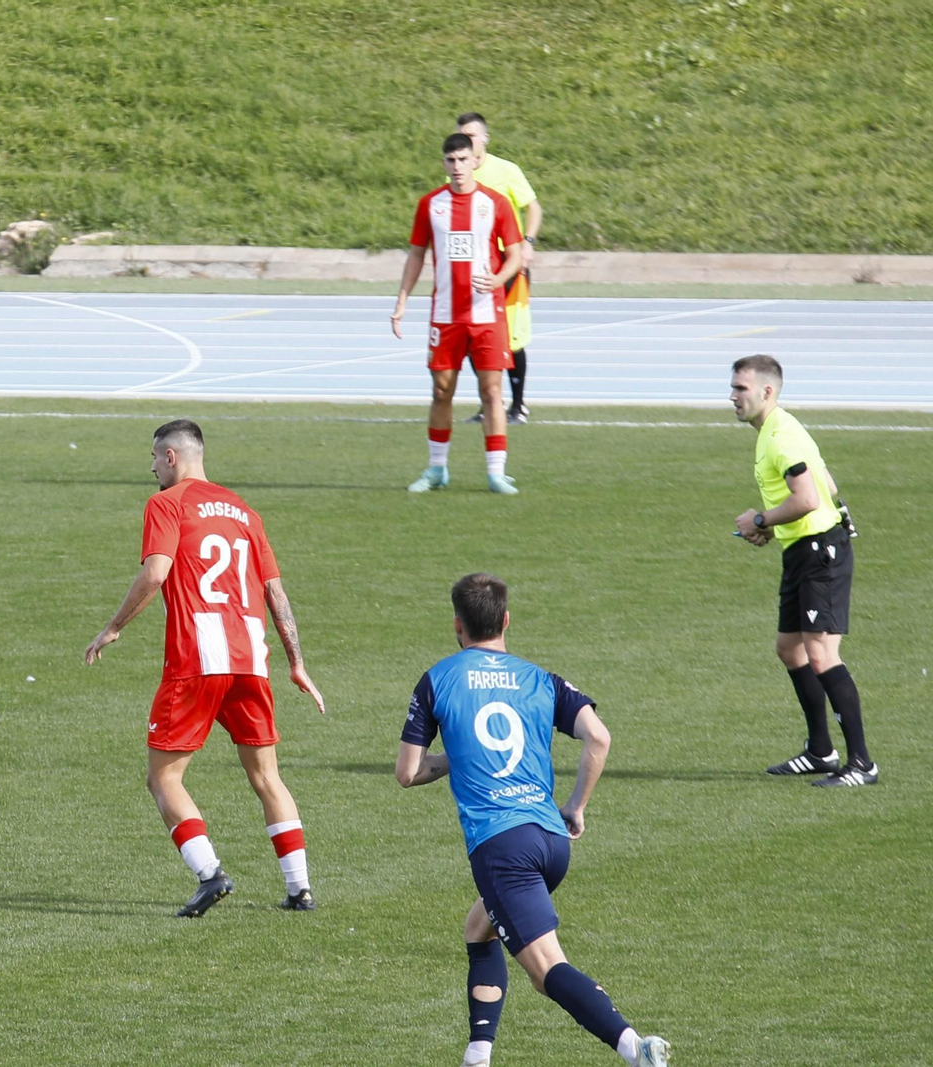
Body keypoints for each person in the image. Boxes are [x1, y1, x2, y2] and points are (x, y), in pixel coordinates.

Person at [397, 573, 671, 1067]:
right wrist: (576, 806)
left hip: (503, 847)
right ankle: (477, 1054)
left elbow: (408, 772)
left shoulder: (438, 678)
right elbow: (599, 738)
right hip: (550, 839)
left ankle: (635, 1047)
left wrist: (459, 753)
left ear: (457, 626)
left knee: (546, 968)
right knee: (479, 927)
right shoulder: (541, 678)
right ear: (506, 621)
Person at [85, 420, 326, 917]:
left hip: (197, 661)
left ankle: (210, 873)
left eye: (154, 458)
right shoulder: (244, 511)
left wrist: (113, 627)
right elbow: (275, 594)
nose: (151, 467)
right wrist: (297, 664)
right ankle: (300, 889)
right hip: (251, 661)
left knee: (164, 778)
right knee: (267, 777)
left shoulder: (166, 504)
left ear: (171, 457)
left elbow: (156, 572)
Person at [730, 355, 877, 787]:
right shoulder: (778, 429)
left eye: (741, 388)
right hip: (803, 550)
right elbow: (826, 485)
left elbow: (810, 499)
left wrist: (760, 521)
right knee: (789, 649)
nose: (732, 396)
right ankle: (821, 751)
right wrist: (775, 530)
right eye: (733, 387)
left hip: (819, 553)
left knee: (821, 655)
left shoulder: (779, 437)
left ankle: (862, 763)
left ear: (766, 391)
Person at [391, 133, 525, 495]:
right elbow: (417, 254)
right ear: (444, 163)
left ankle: (496, 472)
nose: (457, 167)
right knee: (441, 390)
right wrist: (403, 299)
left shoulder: (495, 204)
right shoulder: (430, 205)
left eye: (463, 160)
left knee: (491, 392)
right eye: (451, 160)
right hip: (446, 315)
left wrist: (496, 278)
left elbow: (515, 255)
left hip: (486, 315)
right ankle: (437, 469)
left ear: (475, 161)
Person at [457, 112, 541, 424]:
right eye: (462, 135)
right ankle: (490, 402)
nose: (467, 141)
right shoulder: (457, 174)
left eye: (472, 135)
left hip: (508, 265)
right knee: (475, 337)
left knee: (512, 336)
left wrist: (528, 241)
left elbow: (532, 206)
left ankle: (518, 405)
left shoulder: (505, 170)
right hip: (474, 268)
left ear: (485, 139)